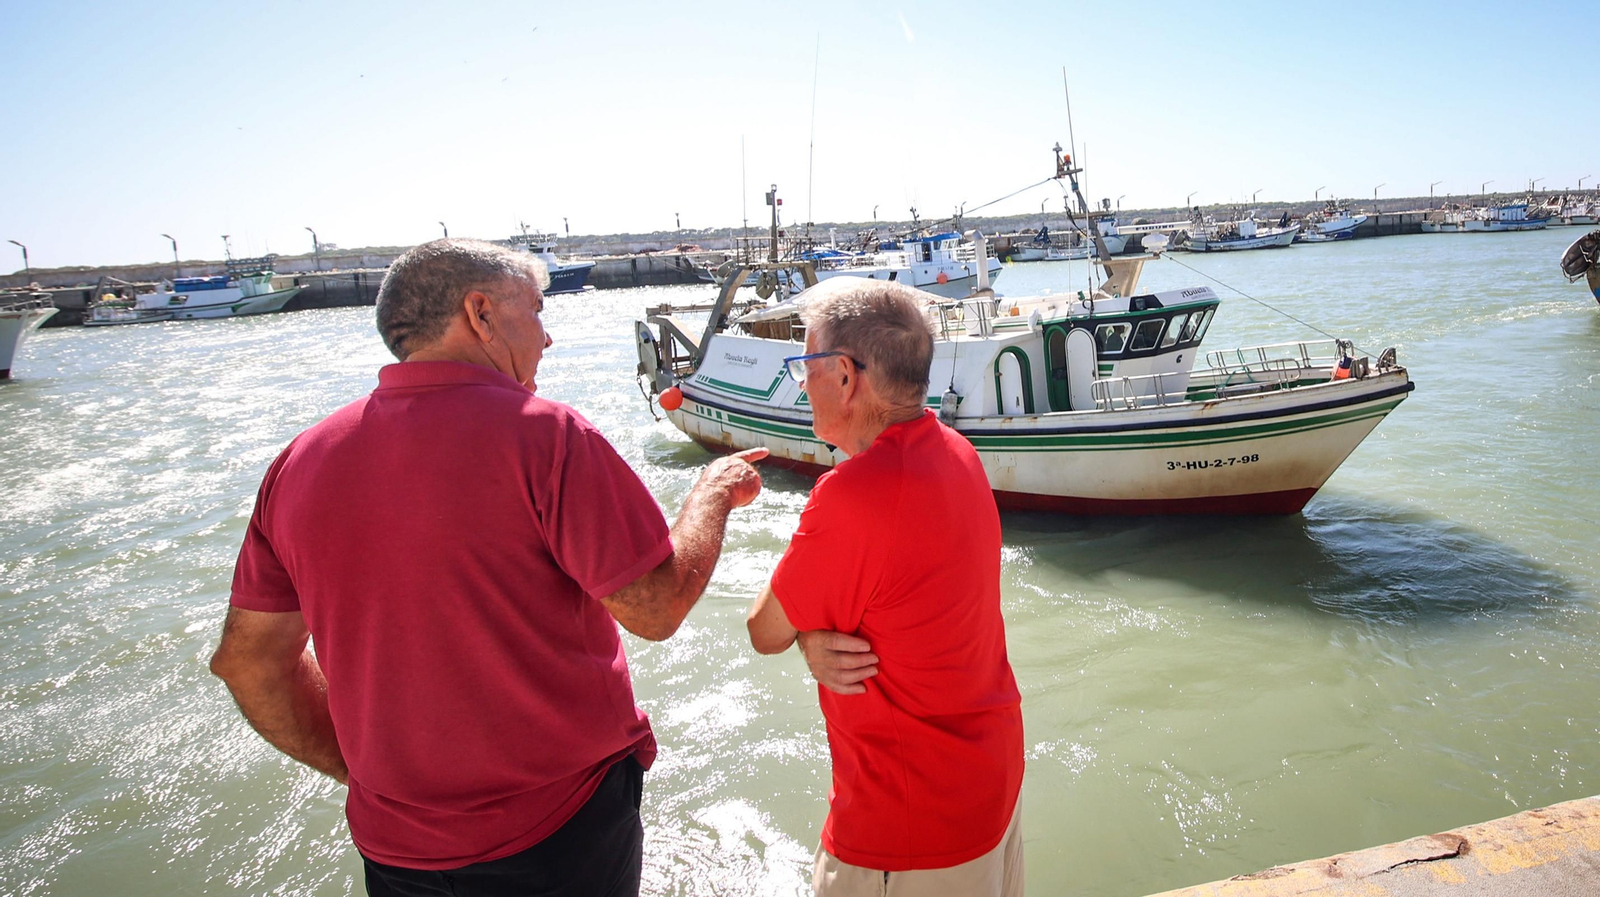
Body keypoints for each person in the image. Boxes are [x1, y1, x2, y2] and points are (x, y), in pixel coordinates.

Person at [209, 238, 766, 897]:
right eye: (536, 311)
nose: (548, 338)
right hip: (558, 834)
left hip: (395, 849)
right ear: (480, 314)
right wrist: (713, 493)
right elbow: (655, 606)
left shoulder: (299, 462)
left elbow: (247, 662)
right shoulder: (547, 434)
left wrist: (367, 775)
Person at [745, 279, 1025, 896]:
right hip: (989, 785)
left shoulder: (852, 496)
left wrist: (805, 638)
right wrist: (811, 638)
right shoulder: (958, 452)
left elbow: (764, 630)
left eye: (805, 367)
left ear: (845, 376)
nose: (802, 384)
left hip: (908, 827)